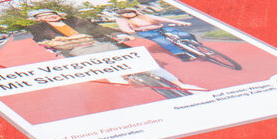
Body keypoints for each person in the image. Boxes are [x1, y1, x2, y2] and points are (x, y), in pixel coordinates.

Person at [26, 8, 201, 91]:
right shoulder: (38, 28)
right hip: (75, 49)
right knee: (102, 64)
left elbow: (97, 29)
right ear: (40, 19)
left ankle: (179, 83)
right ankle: (120, 79)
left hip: (100, 42)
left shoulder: (73, 20)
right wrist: (53, 50)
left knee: (136, 59)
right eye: (44, 16)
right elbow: (40, 41)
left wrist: (120, 35)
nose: (50, 16)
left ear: (59, 14)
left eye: (52, 13)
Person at [113, 8, 198, 61]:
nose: (128, 15)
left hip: (160, 27)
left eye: (129, 12)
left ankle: (194, 45)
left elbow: (163, 19)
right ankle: (182, 55)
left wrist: (182, 23)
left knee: (184, 34)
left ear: (134, 12)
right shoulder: (124, 20)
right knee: (164, 42)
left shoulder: (146, 16)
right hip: (146, 32)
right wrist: (129, 31)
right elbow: (124, 27)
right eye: (125, 14)